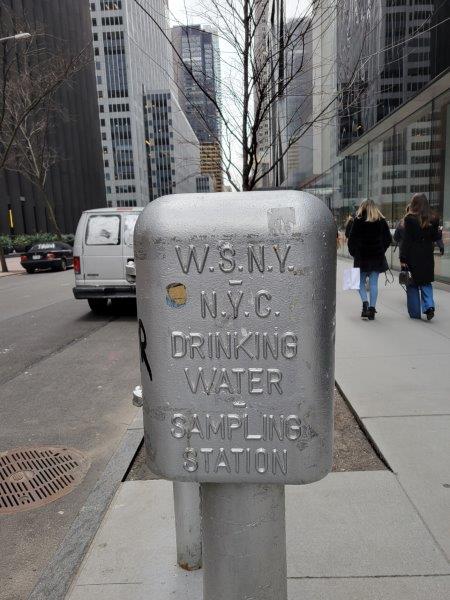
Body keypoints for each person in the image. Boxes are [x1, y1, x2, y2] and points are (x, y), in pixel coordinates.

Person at [348, 199, 392, 320]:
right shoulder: (381, 220)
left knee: (359, 283)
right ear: (374, 207)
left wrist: (354, 253)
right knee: (373, 283)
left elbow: (351, 239)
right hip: (376, 256)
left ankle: (365, 304)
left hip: (361, 257)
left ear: (362, 207)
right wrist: (381, 249)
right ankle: (372, 309)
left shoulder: (358, 220)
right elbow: (388, 239)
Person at [400, 193, 441, 320]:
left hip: (413, 255)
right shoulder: (433, 218)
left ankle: (415, 313)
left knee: (412, 284)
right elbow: (434, 237)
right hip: (427, 255)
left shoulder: (409, 218)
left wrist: (402, 257)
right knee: (426, 282)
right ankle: (429, 306)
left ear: (414, 204)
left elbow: (406, 240)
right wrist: (437, 232)